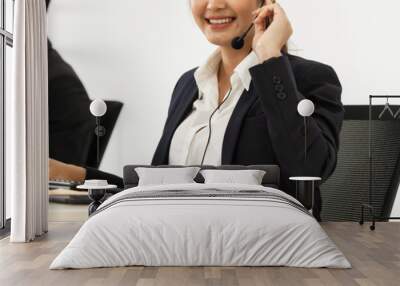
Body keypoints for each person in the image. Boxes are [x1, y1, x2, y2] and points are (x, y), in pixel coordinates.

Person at [50, 0, 344, 221]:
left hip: (259, 255)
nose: (214, 4)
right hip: (174, 243)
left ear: (264, 3)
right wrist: (72, 173)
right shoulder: (188, 85)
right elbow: (153, 188)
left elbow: (310, 171)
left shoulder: (307, 79)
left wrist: (269, 55)